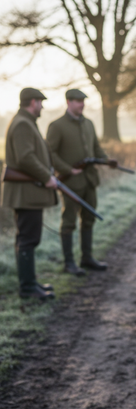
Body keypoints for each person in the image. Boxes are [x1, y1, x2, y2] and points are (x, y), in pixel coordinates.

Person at [46, 89, 116, 276]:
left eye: (83, 101)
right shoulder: (57, 126)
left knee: (89, 219)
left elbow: (96, 148)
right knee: (68, 222)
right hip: (69, 183)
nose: (82, 104)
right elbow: (50, 153)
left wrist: (105, 160)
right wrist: (68, 169)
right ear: (68, 102)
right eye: (78, 101)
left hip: (90, 181)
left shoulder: (89, 124)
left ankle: (87, 258)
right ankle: (69, 263)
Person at [1, 88, 58, 300]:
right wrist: (46, 177)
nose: (42, 106)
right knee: (27, 239)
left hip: (28, 194)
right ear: (33, 102)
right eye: (41, 102)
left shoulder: (24, 122)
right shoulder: (23, 124)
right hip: (26, 195)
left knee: (28, 239)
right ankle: (27, 289)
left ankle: (31, 284)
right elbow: (25, 158)